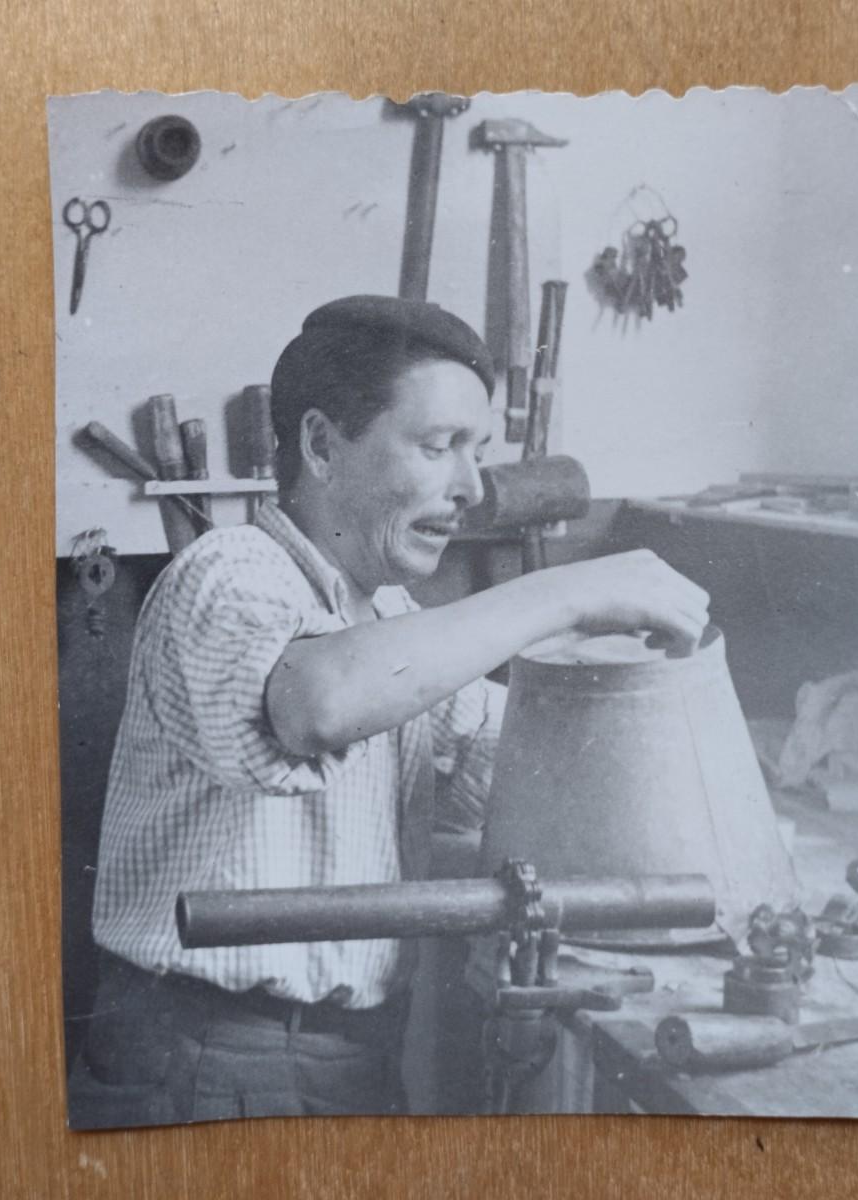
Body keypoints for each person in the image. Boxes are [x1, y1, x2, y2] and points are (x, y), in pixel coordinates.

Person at [68, 295, 709, 1127]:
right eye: (438, 447)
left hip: (338, 1060)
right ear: (322, 446)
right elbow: (315, 706)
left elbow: (504, 751)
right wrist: (572, 592)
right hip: (207, 1064)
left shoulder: (388, 620)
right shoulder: (228, 572)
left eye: (475, 452)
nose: (472, 489)